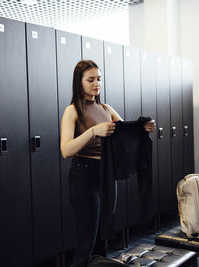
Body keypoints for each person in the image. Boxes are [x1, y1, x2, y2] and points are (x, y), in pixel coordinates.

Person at [60, 60, 155, 266]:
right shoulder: (72, 111)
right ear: (79, 82)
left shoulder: (105, 108)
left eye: (99, 79)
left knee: (104, 236)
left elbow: (126, 134)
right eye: (91, 79)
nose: (97, 83)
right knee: (87, 241)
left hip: (105, 176)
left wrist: (144, 127)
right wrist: (93, 131)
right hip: (83, 178)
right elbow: (66, 150)